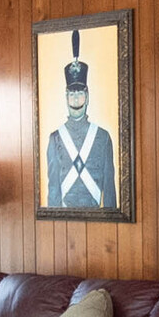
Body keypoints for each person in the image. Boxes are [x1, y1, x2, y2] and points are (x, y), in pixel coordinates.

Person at [45, 32, 118, 210]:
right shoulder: (55, 139)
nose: (76, 100)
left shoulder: (103, 137)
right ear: (66, 97)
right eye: (72, 94)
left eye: (80, 94)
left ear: (87, 96)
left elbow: (109, 191)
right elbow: (53, 192)